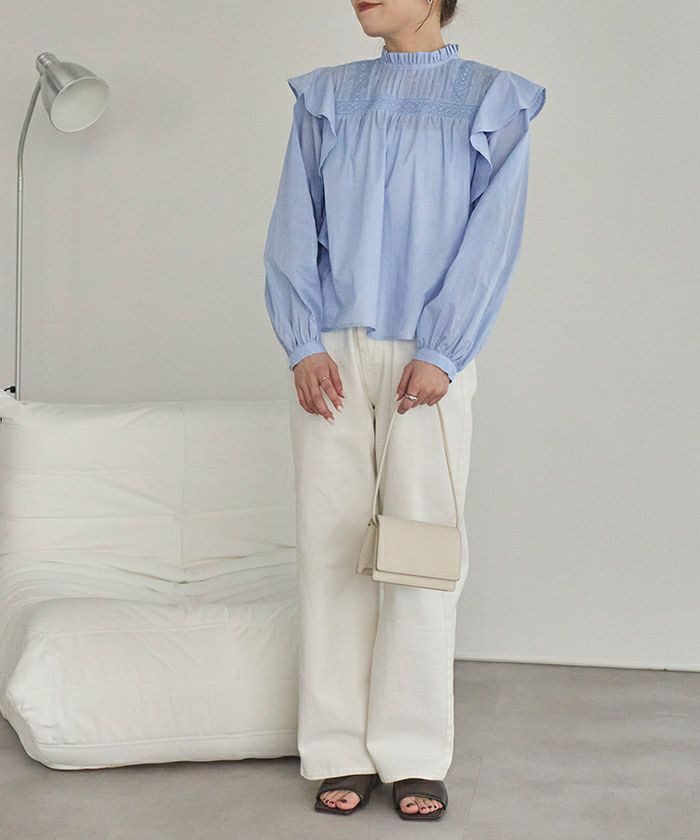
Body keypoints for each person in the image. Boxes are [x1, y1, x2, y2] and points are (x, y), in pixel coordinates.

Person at [263, 0, 546, 821]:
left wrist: (445, 349)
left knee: (421, 552)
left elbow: (493, 238)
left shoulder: (494, 99)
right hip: (332, 349)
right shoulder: (326, 96)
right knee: (330, 547)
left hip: (428, 357)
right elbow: (294, 223)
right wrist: (301, 341)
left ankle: (415, 753)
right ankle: (337, 751)